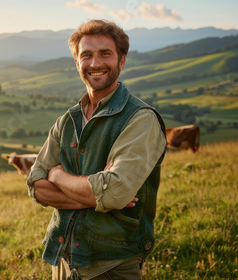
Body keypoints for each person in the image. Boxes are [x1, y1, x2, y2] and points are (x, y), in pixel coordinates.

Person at [27, 19, 167, 280]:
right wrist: (98, 197)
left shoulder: (140, 119)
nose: (95, 63)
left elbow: (113, 192)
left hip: (111, 265)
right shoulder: (66, 121)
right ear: (77, 63)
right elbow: (36, 186)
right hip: (63, 260)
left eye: (105, 54)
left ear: (121, 61)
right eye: (86, 55)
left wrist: (57, 177)